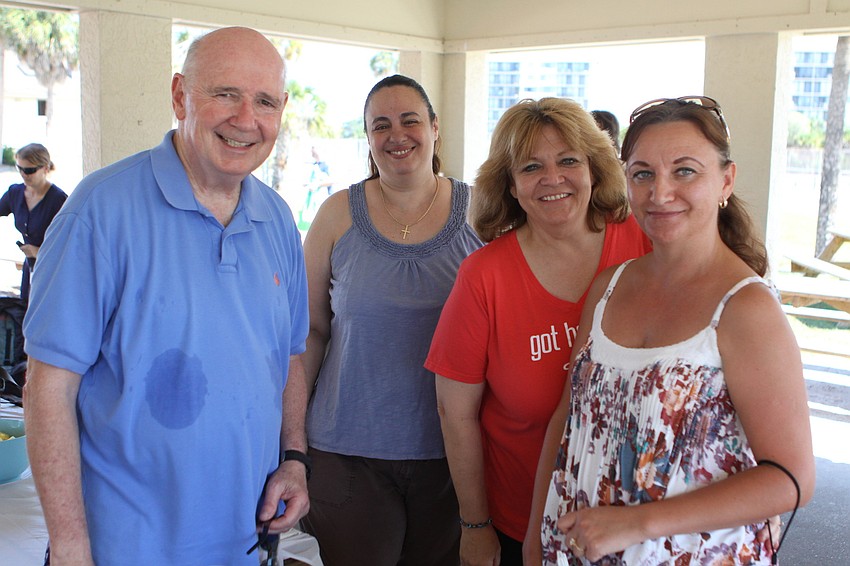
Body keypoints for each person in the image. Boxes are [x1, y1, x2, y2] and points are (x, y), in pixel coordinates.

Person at [23, 27, 311, 565]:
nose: (245, 119)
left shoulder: (276, 219)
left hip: (243, 544)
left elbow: (289, 355)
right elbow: (48, 388)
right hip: (125, 547)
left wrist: (294, 457)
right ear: (180, 96)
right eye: (225, 93)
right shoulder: (99, 211)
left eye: (265, 102)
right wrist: (69, 546)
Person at [538, 96, 815, 565]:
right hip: (577, 549)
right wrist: (536, 535)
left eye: (685, 171)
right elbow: (568, 417)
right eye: (642, 173)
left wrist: (638, 523)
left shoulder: (745, 308)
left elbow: (792, 478)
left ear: (726, 180)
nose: (659, 192)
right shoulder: (609, 286)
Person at [424, 97, 651, 566]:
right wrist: (474, 525)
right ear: (510, 185)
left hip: (643, 515)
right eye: (531, 167)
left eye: (568, 160)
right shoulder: (484, 275)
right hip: (522, 522)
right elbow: (455, 412)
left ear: (594, 168)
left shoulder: (645, 242)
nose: (553, 178)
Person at [297, 74, 482, 566]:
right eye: (381, 125)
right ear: (368, 137)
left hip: (452, 455)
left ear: (435, 128)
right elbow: (310, 332)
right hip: (346, 452)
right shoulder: (336, 214)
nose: (396, 135)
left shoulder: (481, 212)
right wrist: (289, 441)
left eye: (409, 120)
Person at [0, 143, 67, 303]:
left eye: (29, 170)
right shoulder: (15, 193)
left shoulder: (59, 200)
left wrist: (38, 251)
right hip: (29, 267)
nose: (24, 174)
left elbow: (69, 241)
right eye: (19, 168)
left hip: (52, 269)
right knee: (25, 308)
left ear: (45, 168)